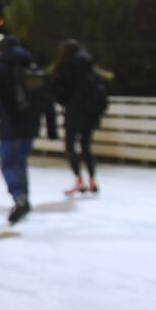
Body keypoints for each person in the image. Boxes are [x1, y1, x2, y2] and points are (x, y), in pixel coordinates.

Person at [0, 33, 59, 225]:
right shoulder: (32, 66)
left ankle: (19, 197)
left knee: (8, 162)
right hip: (32, 123)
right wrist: (51, 127)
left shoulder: (1, 67)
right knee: (20, 161)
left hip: (11, 122)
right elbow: (47, 98)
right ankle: (23, 197)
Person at [50, 38, 113, 196]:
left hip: (73, 111)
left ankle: (79, 180)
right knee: (86, 146)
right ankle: (92, 180)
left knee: (71, 147)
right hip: (90, 113)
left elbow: (60, 92)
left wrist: (65, 101)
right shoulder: (90, 66)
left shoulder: (64, 67)